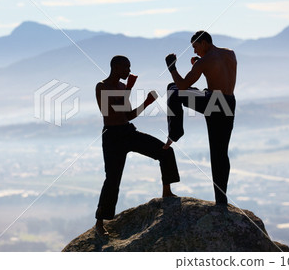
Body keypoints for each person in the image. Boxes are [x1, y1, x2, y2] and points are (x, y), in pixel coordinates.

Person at [95, 55, 180, 236]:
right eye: (126, 67)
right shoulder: (102, 86)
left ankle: (167, 191)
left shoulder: (121, 87)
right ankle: (100, 222)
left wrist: (146, 103)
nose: (129, 71)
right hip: (112, 137)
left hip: (128, 131)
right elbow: (109, 111)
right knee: (112, 179)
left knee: (165, 151)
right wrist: (129, 89)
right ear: (116, 67)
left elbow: (128, 116)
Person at [164, 31, 237, 206]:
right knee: (220, 153)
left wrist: (172, 67)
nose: (195, 52)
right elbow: (219, 74)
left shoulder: (205, 61)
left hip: (214, 102)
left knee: (174, 90)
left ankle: (175, 133)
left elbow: (183, 85)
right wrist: (199, 65)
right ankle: (221, 200)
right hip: (229, 102)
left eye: (195, 47)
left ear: (203, 43)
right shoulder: (230, 54)